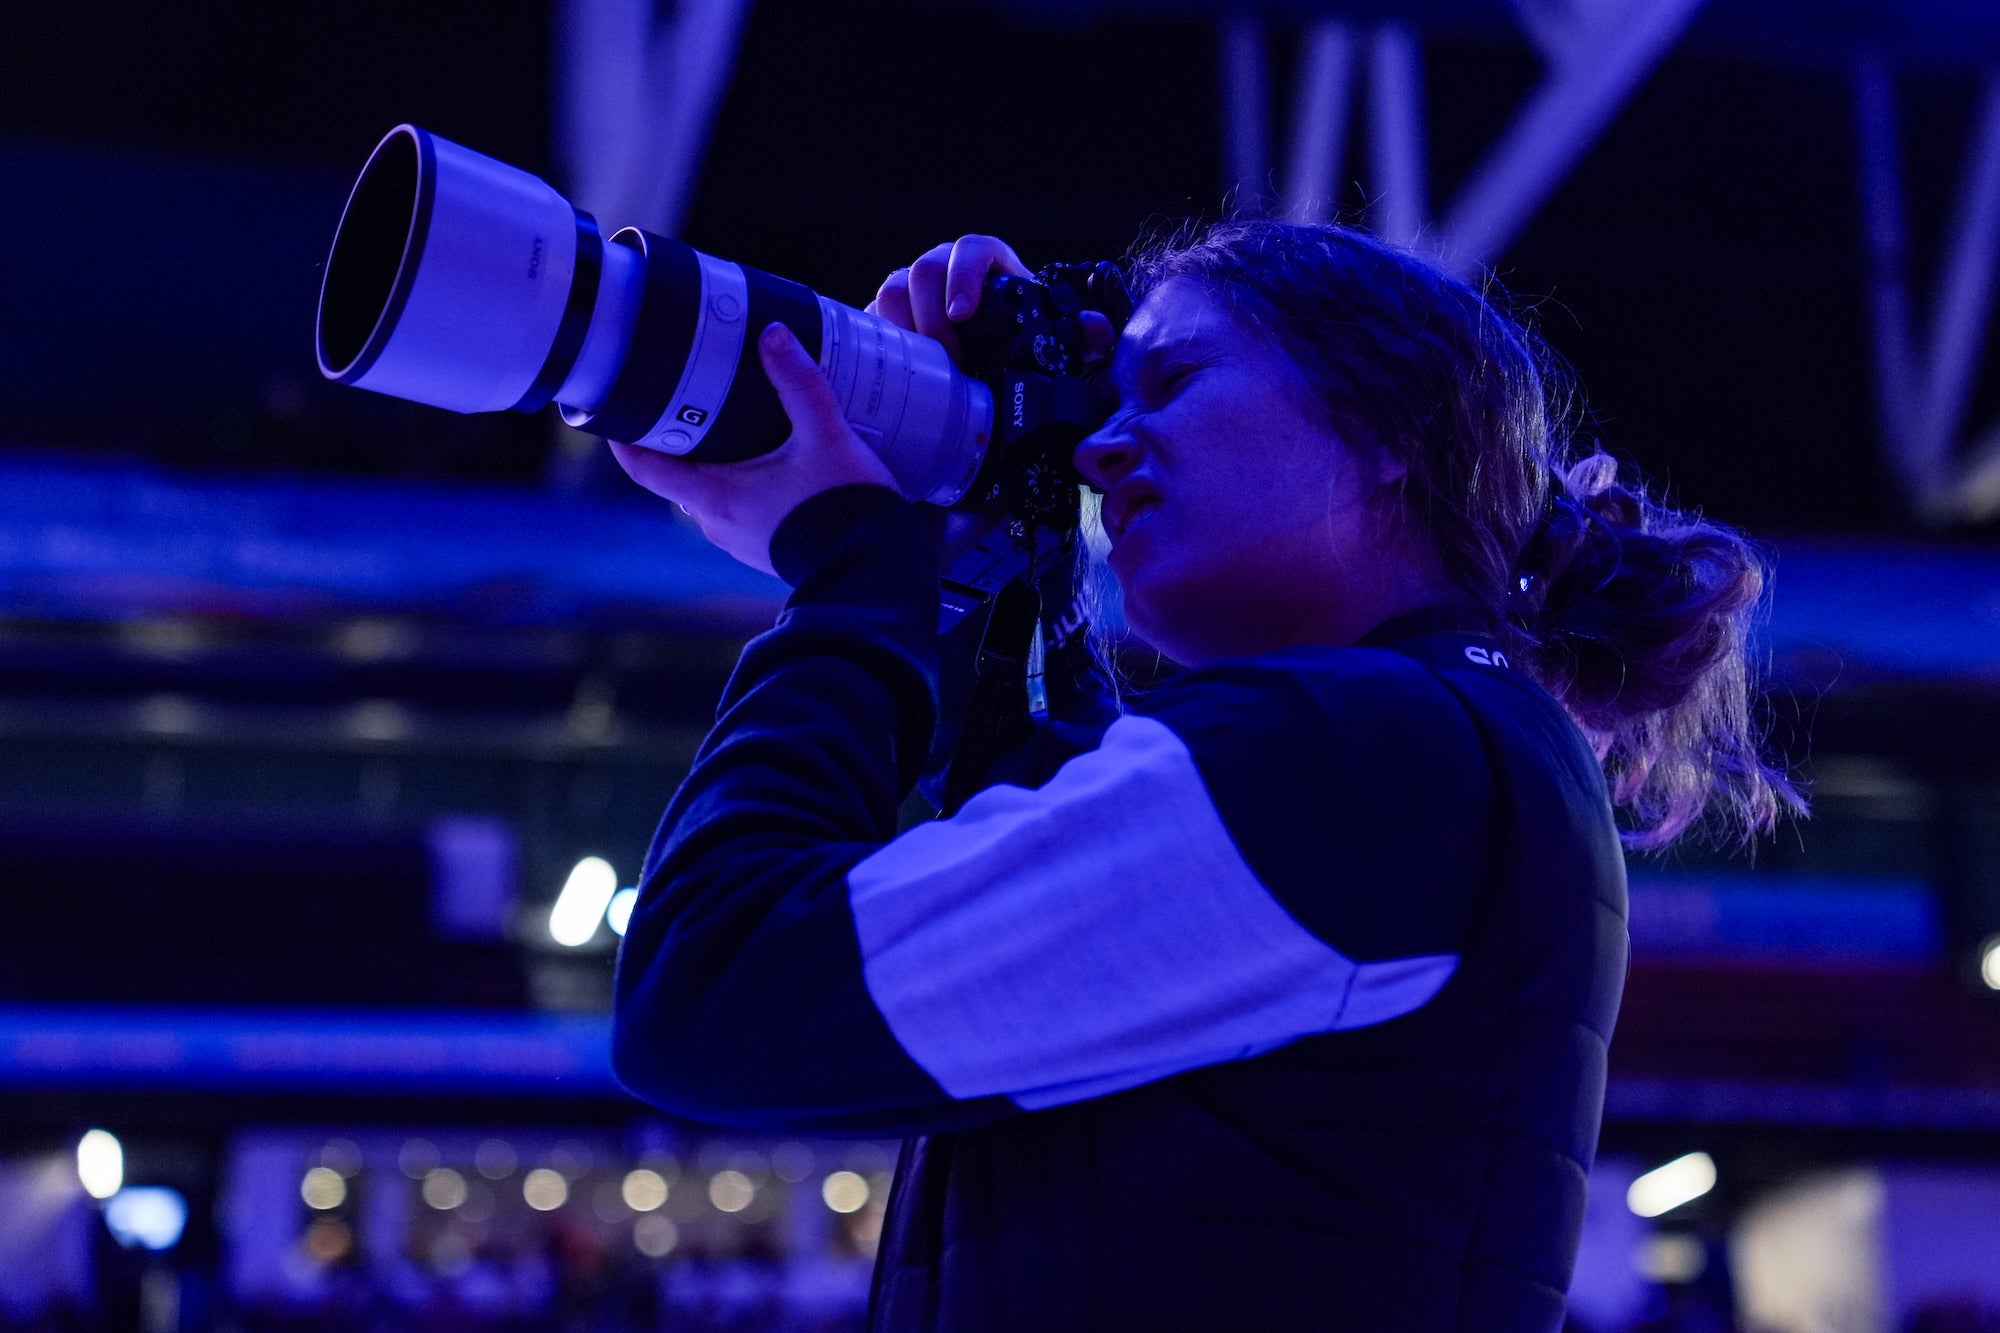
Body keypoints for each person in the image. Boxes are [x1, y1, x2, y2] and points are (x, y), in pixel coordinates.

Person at [606, 221, 1802, 1331]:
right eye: (1100, 404)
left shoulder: (1368, 751)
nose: (1095, 445)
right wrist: (978, 552)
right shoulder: (1435, 743)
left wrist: (848, 577)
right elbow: (1043, 917)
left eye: (1170, 384)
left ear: (1388, 426)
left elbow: (709, 987)